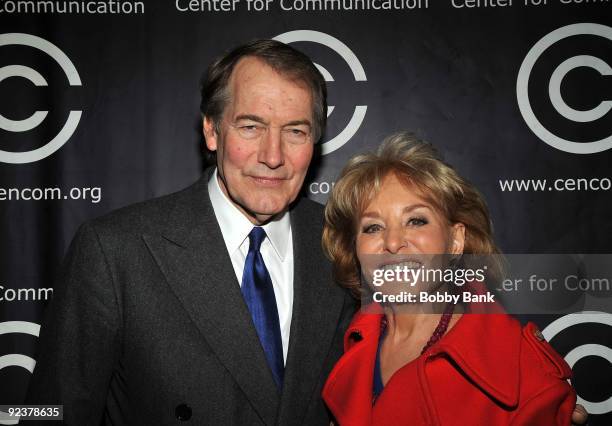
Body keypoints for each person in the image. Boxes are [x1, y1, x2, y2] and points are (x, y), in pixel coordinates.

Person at [25, 40, 355, 425]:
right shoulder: (116, 250)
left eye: (295, 131)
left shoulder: (341, 242)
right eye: (251, 127)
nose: (273, 155)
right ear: (212, 131)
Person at [321, 132, 584, 425]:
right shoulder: (346, 344)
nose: (393, 242)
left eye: (416, 220)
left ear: (455, 240)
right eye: (372, 227)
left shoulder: (522, 371)